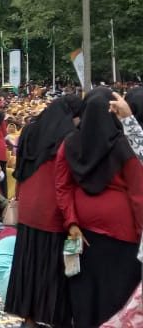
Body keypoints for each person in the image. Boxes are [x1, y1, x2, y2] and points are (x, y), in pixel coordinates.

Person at [54, 87, 143, 327]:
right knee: (118, 296)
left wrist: (71, 222)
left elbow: (62, 187)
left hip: (82, 232)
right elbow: (138, 194)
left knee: (85, 291)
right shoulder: (124, 146)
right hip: (123, 233)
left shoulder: (70, 144)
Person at [5, 94, 83, 327]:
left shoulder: (30, 130)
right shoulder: (68, 137)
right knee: (51, 269)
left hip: (28, 207)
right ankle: (50, 317)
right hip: (53, 210)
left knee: (28, 264)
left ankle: (28, 317)